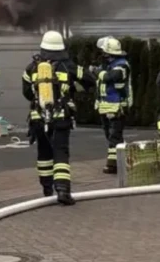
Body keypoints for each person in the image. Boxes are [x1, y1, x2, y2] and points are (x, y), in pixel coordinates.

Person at [22, 30, 96, 205]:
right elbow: (90, 80)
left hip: (38, 118)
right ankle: (63, 190)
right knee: (60, 152)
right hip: (60, 116)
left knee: (44, 153)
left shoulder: (31, 67)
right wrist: (72, 89)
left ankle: (47, 190)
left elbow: (26, 92)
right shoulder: (68, 66)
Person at [94, 38, 132, 174]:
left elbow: (111, 77)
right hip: (105, 106)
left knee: (114, 136)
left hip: (117, 106)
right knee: (111, 136)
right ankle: (125, 158)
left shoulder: (122, 65)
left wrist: (98, 73)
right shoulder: (107, 65)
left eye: (104, 53)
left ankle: (113, 165)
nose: (103, 55)